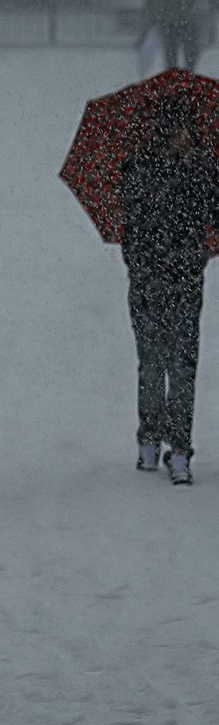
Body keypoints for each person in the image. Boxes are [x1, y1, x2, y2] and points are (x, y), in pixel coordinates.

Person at [119, 94, 219, 484]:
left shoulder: (204, 170)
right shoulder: (140, 168)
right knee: (152, 363)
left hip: (186, 281)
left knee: (182, 367)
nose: (183, 139)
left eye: (187, 131)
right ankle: (149, 440)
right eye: (177, 131)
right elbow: (132, 230)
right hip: (150, 283)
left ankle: (179, 448)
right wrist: (146, 264)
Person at [144, 0, 205, 70]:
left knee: (189, 54)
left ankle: (187, 72)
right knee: (172, 54)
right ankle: (175, 72)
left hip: (185, 21)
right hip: (171, 22)